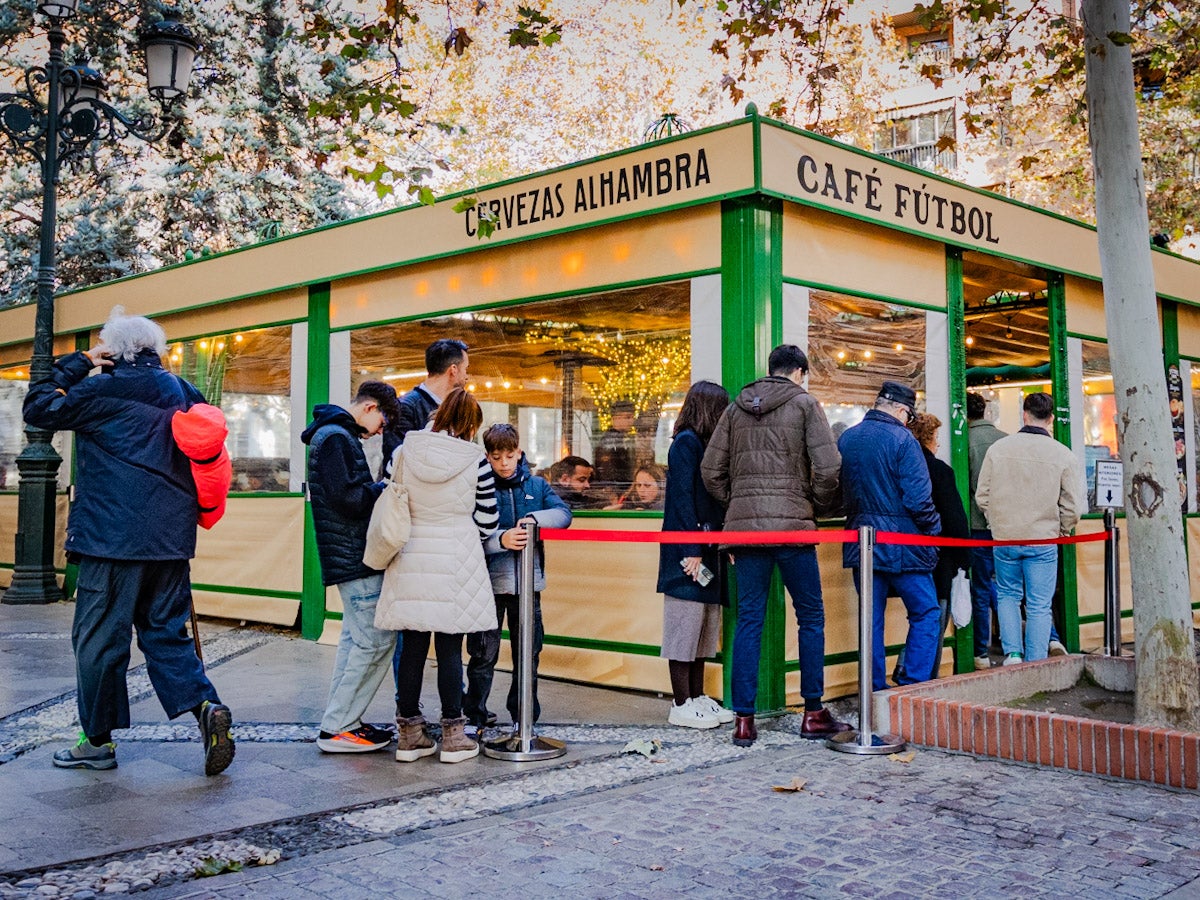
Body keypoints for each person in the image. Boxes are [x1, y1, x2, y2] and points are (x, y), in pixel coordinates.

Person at [23, 307, 235, 775]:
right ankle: (206, 707)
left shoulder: (100, 386)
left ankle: (96, 743)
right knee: (165, 634)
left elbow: (38, 409)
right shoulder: (183, 390)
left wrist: (80, 361)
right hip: (170, 540)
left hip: (110, 540)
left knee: (99, 640)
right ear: (158, 350)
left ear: (114, 350)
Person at [701, 344, 849, 746]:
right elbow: (829, 467)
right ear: (799, 372)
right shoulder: (804, 404)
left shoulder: (735, 409)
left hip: (746, 533)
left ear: (770, 371)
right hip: (793, 529)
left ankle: (744, 721)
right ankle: (813, 712)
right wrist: (813, 503)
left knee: (749, 619)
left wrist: (738, 505)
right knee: (811, 616)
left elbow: (710, 470)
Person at [375, 388, 499, 763]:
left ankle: (410, 736)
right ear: (470, 424)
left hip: (410, 553)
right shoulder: (474, 459)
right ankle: (453, 737)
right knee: (450, 649)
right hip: (456, 558)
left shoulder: (403, 451)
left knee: (411, 647)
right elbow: (489, 519)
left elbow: (387, 494)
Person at [301, 380, 401, 753]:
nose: (380, 432)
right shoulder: (338, 438)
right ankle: (339, 727)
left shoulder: (329, 435)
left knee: (356, 642)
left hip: (346, 556)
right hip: (354, 556)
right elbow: (350, 499)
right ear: (371, 409)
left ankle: (343, 720)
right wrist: (386, 487)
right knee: (375, 642)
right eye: (384, 423)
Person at [463, 424, 573, 735]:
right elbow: (472, 534)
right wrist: (501, 539)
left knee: (529, 654)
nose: (504, 463)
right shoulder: (480, 489)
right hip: (489, 587)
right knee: (483, 655)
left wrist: (534, 520)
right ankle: (475, 715)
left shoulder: (537, 487)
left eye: (510, 456)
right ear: (487, 457)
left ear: (519, 453)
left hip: (528, 588)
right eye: (497, 457)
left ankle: (524, 716)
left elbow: (564, 514)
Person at [839, 382, 942, 692]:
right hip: (903, 544)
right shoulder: (904, 441)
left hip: (860, 539)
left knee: (870, 619)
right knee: (927, 612)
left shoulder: (848, 438)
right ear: (901, 410)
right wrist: (934, 529)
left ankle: (874, 691)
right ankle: (912, 686)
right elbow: (918, 500)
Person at [975, 392, 1084, 664]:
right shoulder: (1063, 454)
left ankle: (1013, 654)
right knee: (1038, 605)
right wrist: (1064, 528)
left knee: (1008, 596)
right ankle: (1035, 661)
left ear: (1025, 414)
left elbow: (982, 495)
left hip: (1005, 539)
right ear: (1051, 419)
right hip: (1043, 540)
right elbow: (1072, 506)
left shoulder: (998, 450)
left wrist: (996, 521)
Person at [657, 381, 733, 729]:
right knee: (683, 630)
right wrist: (692, 549)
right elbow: (683, 500)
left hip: (706, 549)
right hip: (688, 552)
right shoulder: (686, 443)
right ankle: (681, 702)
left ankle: (698, 697)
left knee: (703, 630)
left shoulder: (703, 445)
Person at [907, 412, 971, 680]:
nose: (939, 444)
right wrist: (965, 561)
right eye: (936, 437)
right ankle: (922, 679)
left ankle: (905, 670)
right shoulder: (940, 471)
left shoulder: (902, 465)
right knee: (933, 620)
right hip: (938, 558)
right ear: (929, 438)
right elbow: (955, 520)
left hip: (904, 554)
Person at [380, 338, 469, 472]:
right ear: (453, 370)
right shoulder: (405, 407)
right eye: (465, 369)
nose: (467, 376)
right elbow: (396, 460)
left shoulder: (453, 408)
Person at [966, 391, 1004, 669]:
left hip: (976, 527)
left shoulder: (963, 441)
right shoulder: (1006, 440)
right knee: (1009, 588)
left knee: (980, 588)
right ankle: (1043, 639)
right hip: (1006, 526)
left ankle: (980, 651)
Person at [592, 399, 637, 503]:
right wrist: (613, 492)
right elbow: (607, 471)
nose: (631, 421)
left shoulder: (619, 439)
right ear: (615, 419)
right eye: (627, 417)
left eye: (631, 417)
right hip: (615, 495)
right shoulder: (611, 441)